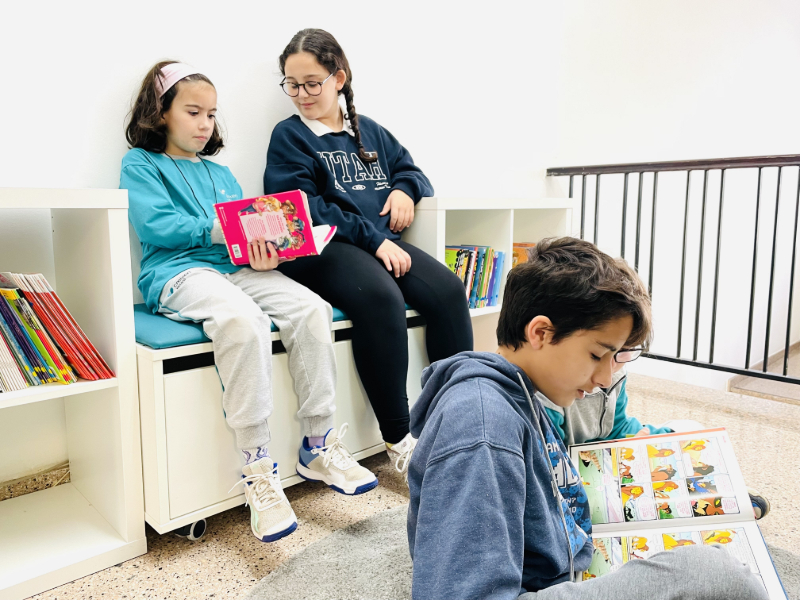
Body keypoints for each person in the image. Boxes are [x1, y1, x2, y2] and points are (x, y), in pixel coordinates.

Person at [405, 237, 766, 599]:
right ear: (541, 333)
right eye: (597, 354)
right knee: (712, 573)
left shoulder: (523, 392)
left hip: (566, 560)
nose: (605, 379)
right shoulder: (482, 427)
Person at [121, 61, 377, 543]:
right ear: (162, 113)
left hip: (234, 269)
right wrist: (221, 230)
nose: (205, 124)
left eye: (212, 115)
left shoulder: (220, 174)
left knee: (311, 309)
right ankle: (258, 468)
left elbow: (242, 238)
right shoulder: (141, 164)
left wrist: (263, 253)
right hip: (177, 272)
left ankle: (318, 445)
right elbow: (156, 228)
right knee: (243, 320)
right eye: (193, 112)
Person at [263, 29, 473, 475]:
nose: (300, 94)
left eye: (312, 82)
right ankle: (399, 437)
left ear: (339, 78)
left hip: (378, 245)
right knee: (381, 298)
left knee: (449, 292)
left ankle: (456, 420)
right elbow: (300, 208)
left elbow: (412, 171)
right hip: (324, 248)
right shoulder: (290, 137)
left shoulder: (368, 130)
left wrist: (404, 191)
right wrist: (373, 239)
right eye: (292, 83)